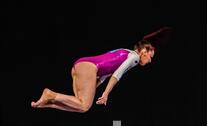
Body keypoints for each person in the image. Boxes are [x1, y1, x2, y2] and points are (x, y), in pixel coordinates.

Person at [31, 27, 172, 113]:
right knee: (84, 105)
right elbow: (117, 74)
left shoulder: (124, 51)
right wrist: (105, 94)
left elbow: (106, 73)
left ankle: (47, 103)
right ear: (143, 51)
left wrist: (94, 86)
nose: (150, 60)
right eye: (150, 56)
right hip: (89, 68)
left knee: (81, 106)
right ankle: (50, 94)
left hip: (80, 65)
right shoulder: (134, 57)